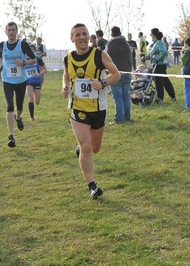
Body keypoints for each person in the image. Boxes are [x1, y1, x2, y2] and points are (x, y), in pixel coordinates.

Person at [61, 23, 120, 200]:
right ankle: (92, 186)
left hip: (98, 108)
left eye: (84, 34)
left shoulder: (100, 55)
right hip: (77, 109)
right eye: (77, 35)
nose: (81, 37)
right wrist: (65, 87)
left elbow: (116, 74)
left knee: (95, 148)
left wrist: (102, 83)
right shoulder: (68, 59)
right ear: (72, 39)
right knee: (86, 147)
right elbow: (66, 75)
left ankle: (81, 149)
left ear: (89, 36)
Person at [0, 22, 36, 148]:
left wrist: (23, 62)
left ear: (16, 31)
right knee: (9, 106)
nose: (11, 32)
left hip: (20, 80)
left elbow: (34, 59)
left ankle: (18, 118)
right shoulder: (2, 45)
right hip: (7, 80)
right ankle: (11, 136)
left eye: (13, 30)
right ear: (6, 31)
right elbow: (0, 57)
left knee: (19, 107)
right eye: (9, 30)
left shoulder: (22, 44)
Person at [106, 26, 133, 124]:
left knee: (118, 97)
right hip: (127, 73)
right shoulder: (126, 44)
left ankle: (118, 119)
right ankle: (127, 117)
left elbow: (106, 60)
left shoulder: (111, 46)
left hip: (115, 74)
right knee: (126, 96)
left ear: (112, 34)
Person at [144, 28, 176, 104]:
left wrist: (157, 57)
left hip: (158, 65)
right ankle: (173, 96)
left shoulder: (158, 43)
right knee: (165, 81)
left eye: (151, 34)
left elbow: (164, 52)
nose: (150, 35)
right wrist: (145, 57)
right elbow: (152, 53)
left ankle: (160, 98)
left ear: (153, 35)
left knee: (159, 82)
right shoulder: (157, 43)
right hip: (161, 65)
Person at [26, 44, 47, 121]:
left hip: (37, 81)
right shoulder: (24, 60)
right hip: (28, 81)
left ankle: (35, 99)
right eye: (29, 49)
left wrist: (39, 74)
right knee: (30, 97)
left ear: (35, 50)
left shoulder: (38, 59)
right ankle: (32, 117)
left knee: (37, 102)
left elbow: (45, 70)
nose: (31, 51)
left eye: (33, 50)